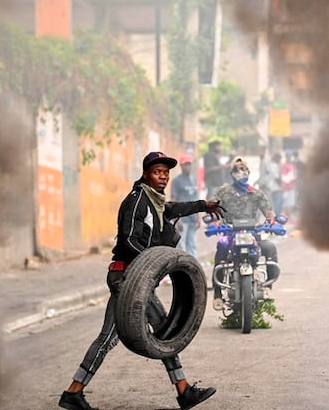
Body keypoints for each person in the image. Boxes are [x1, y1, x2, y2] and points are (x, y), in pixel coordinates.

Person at [59, 151, 224, 410]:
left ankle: (183, 390)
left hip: (139, 281)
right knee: (109, 337)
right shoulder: (137, 201)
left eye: (166, 173)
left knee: (164, 333)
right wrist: (153, 262)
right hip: (126, 278)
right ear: (146, 174)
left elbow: (172, 209)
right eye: (157, 172)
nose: (163, 177)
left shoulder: (155, 203)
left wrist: (204, 205)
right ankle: (73, 392)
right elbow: (127, 241)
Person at [209, 157, 279, 310]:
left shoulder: (256, 193)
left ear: (249, 173)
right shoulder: (223, 192)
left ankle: (268, 287)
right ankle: (218, 293)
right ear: (231, 174)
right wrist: (214, 220)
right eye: (236, 170)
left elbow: (268, 211)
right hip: (229, 232)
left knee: (270, 248)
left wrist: (272, 221)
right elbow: (213, 208)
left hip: (253, 233)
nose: (240, 173)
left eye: (243, 170)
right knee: (221, 250)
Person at [171, 153, 200, 258]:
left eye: (189, 164)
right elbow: (174, 200)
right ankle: (182, 270)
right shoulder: (176, 181)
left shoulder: (193, 180)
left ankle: (193, 270)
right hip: (182, 219)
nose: (187, 166)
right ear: (181, 166)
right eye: (185, 164)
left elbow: (196, 199)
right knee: (181, 247)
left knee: (192, 245)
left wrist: (198, 217)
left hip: (192, 219)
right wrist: (177, 219)